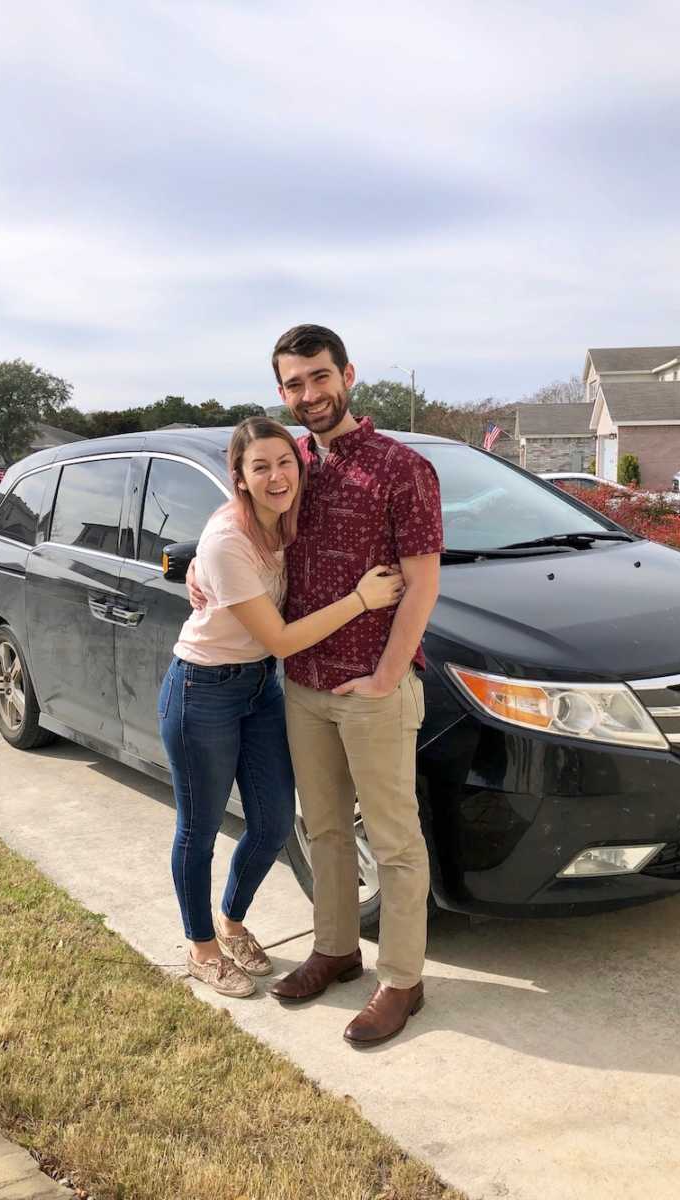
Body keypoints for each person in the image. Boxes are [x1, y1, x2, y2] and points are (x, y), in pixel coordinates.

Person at [191, 326, 443, 1045]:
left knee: (394, 842)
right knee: (324, 831)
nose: (310, 394)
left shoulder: (402, 467)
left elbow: (422, 586)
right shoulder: (292, 462)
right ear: (281, 392)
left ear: (348, 375)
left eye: (320, 377)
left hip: (373, 688)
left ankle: (402, 978)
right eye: (295, 384)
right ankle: (336, 949)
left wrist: (389, 675)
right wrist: (196, 571)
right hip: (301, 684)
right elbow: (236, 515)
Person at [159, 416, 405, 999]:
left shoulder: (290, 521)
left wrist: (193, 566)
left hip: (259, 689)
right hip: (202, 691)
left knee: (271, 824)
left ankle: (232, 918)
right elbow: (283, 639)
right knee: (199, 827)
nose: (276, 476)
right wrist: (361, 600)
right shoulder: (227, 540)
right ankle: (201, 947)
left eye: (284, 463)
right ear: (239, 477)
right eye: (260, 466)